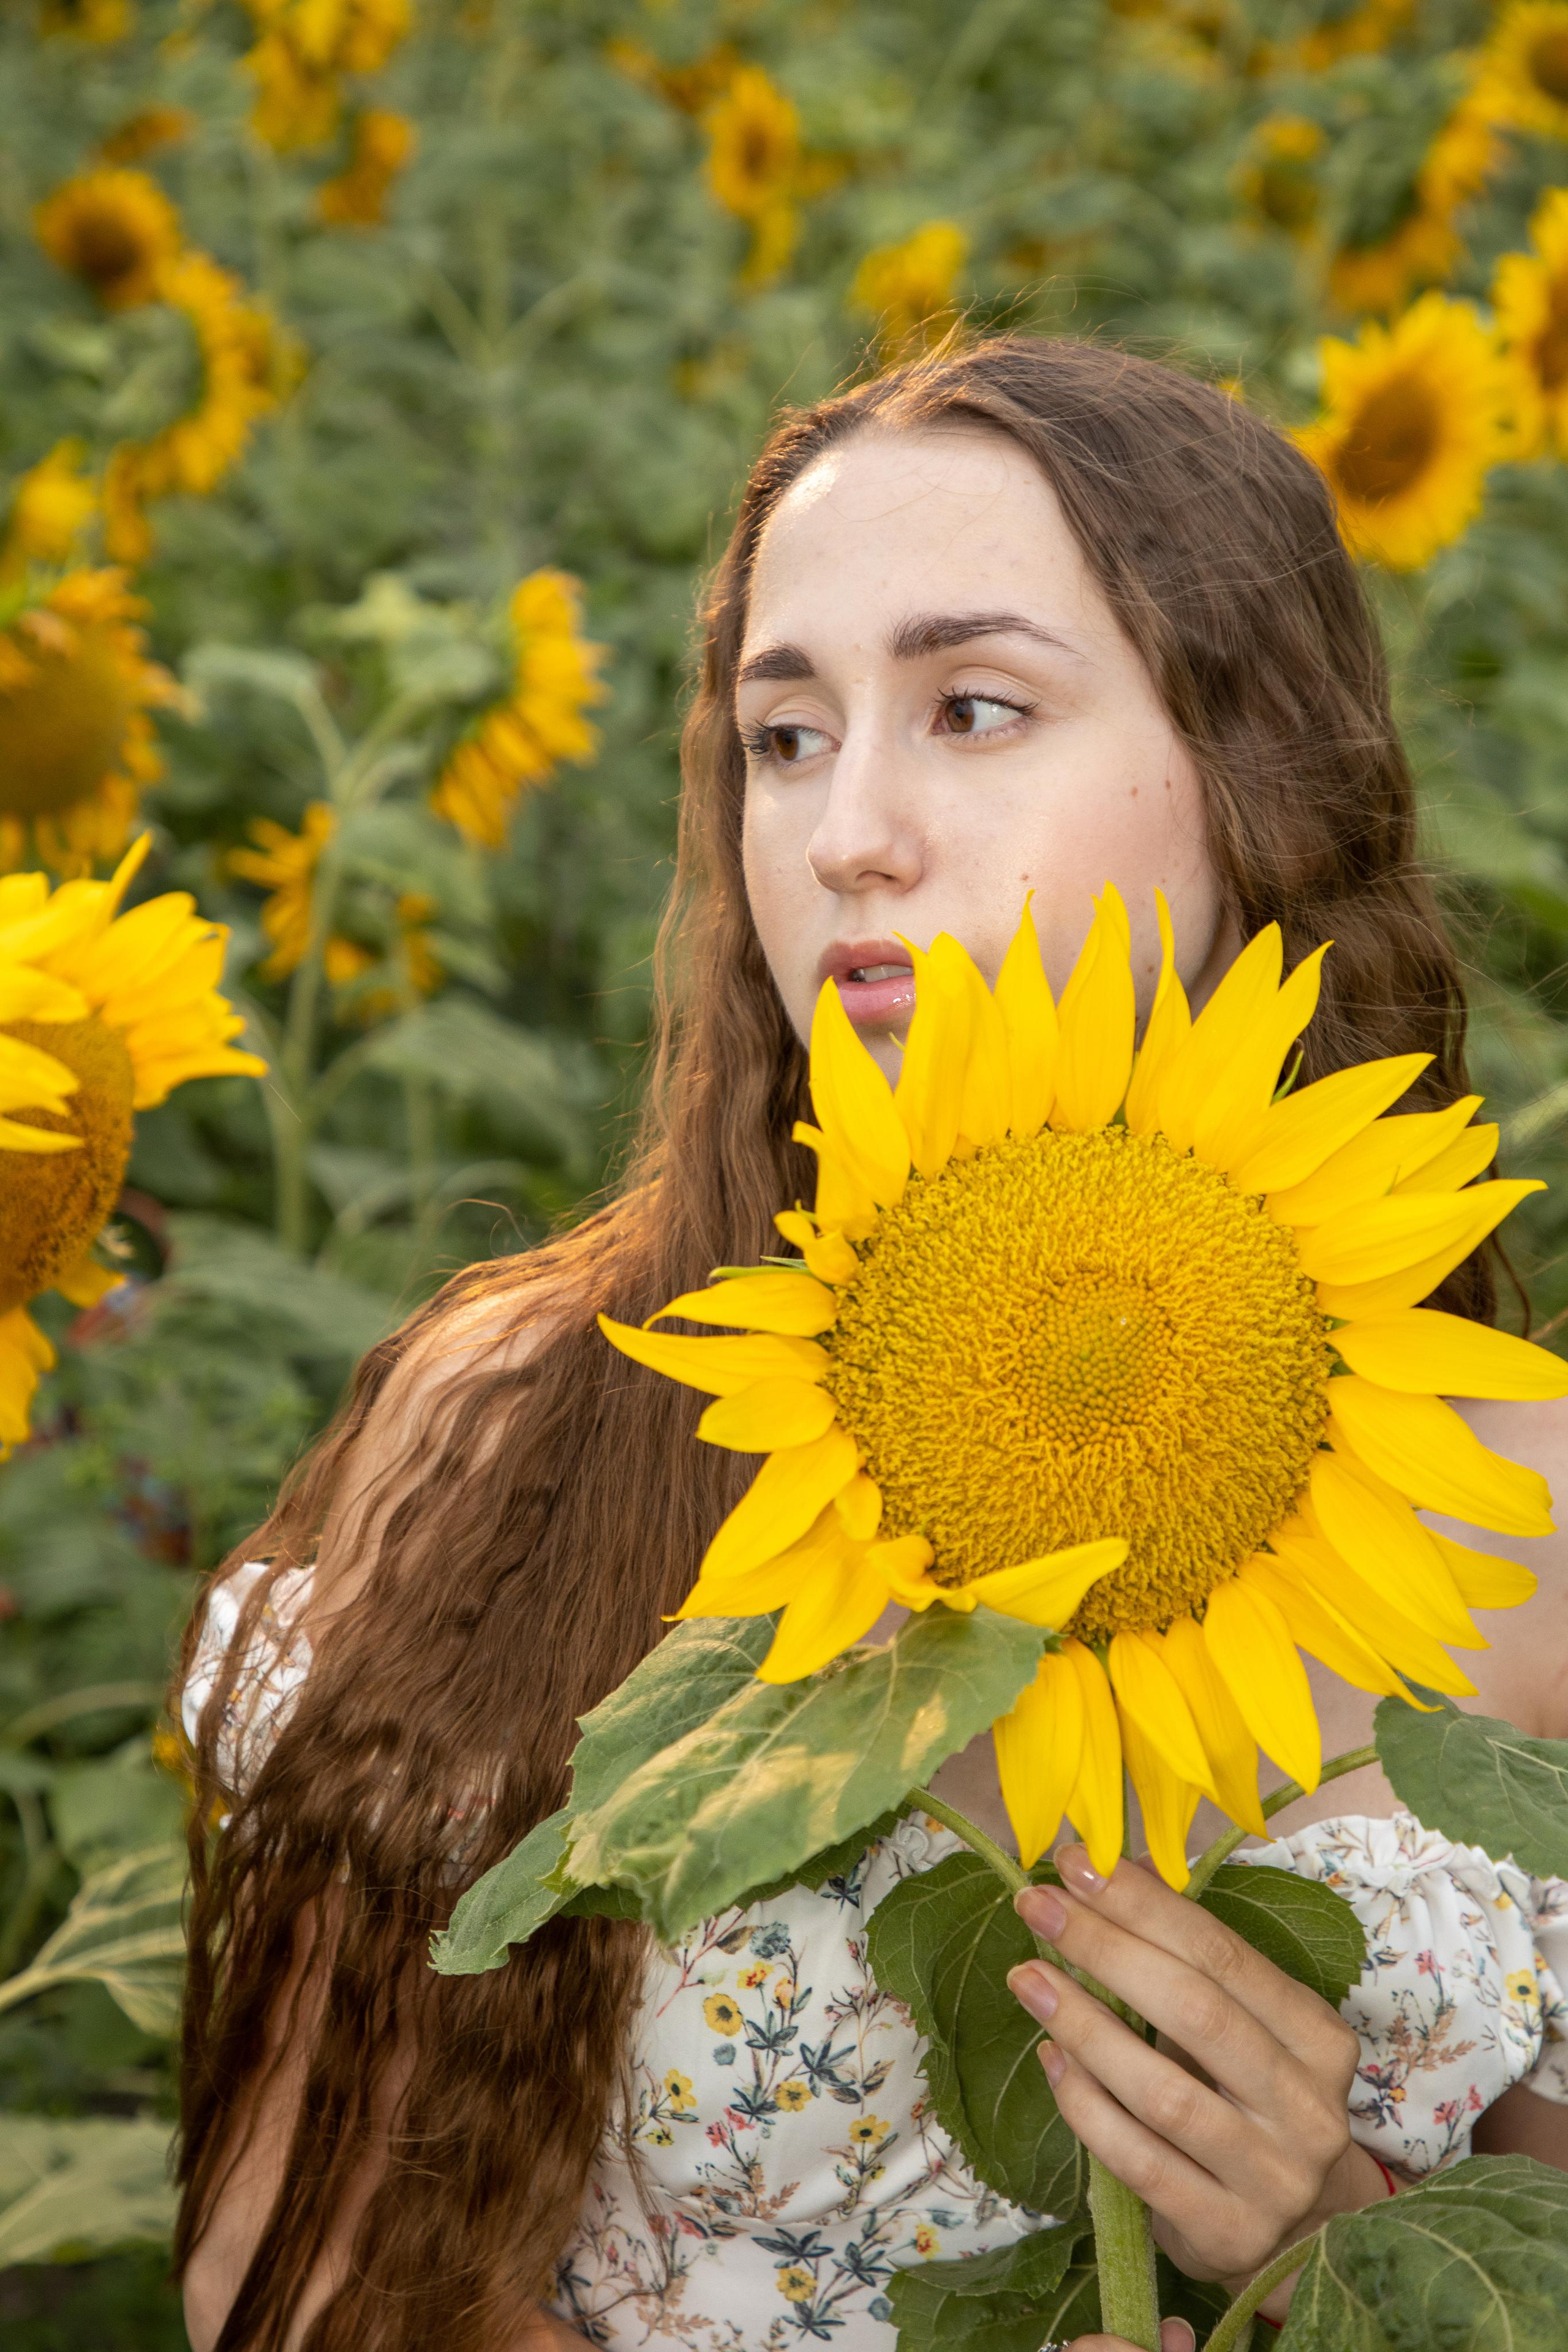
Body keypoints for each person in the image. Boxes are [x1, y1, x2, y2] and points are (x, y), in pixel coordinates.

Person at [175, 337, 1568, 2352]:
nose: (847, 833)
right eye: (785, 735)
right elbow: (297, 2274)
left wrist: (1325, 2236)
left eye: (973, 707)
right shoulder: (528, 1429)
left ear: (1255, 770)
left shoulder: (1525, 1518)